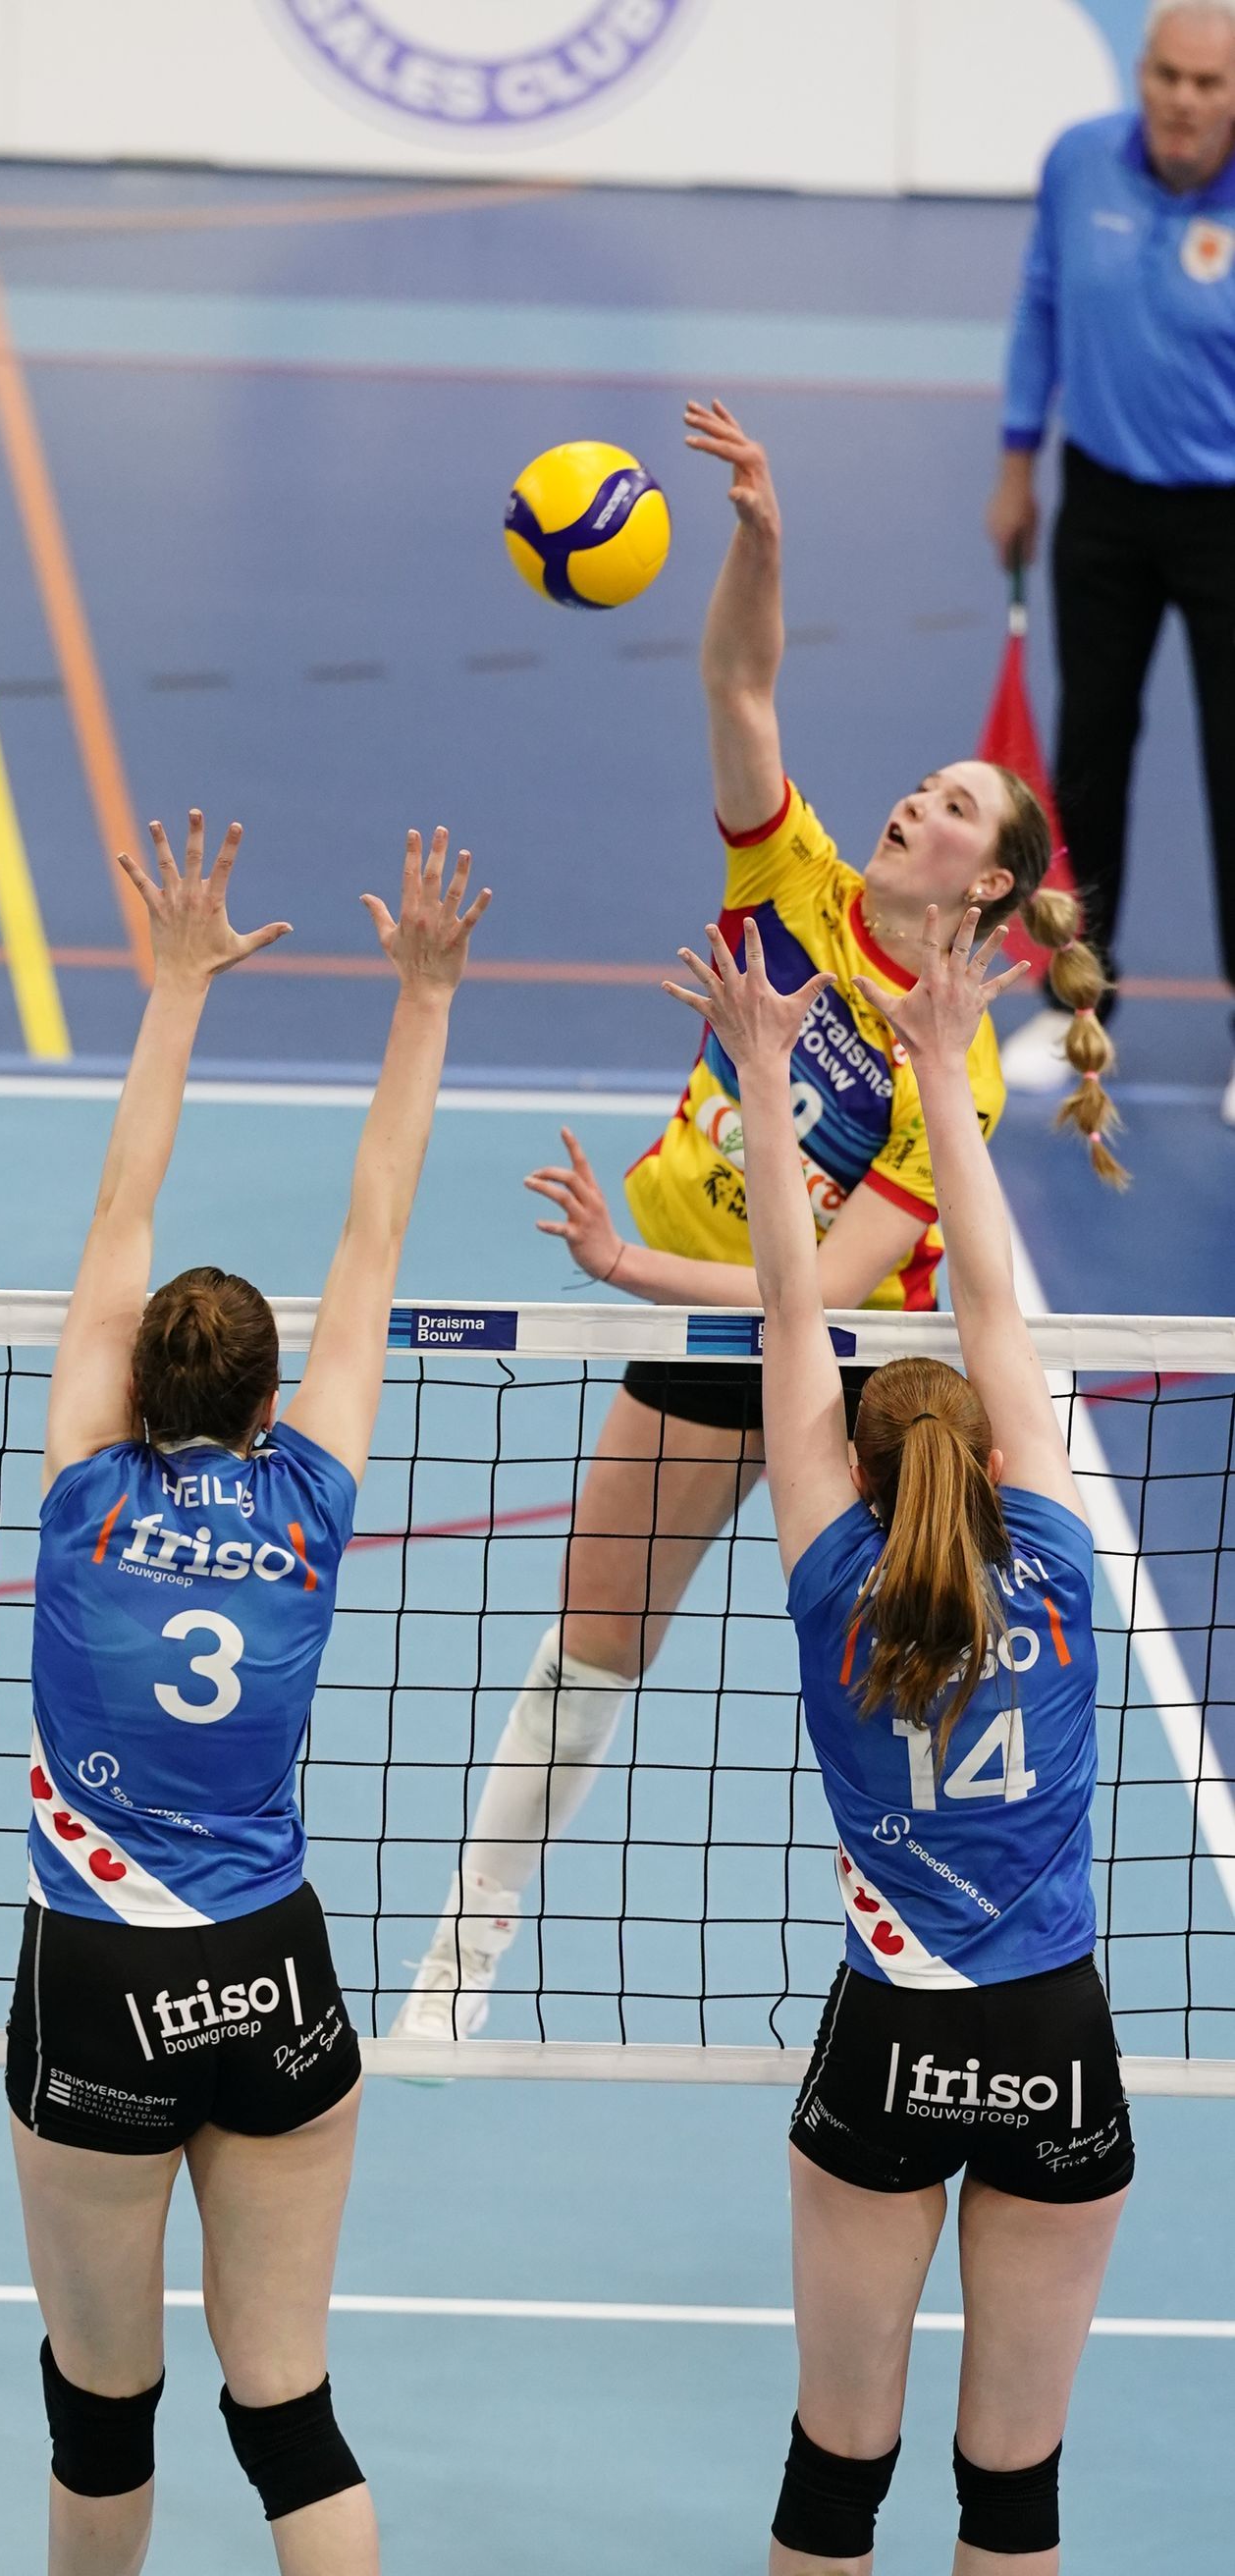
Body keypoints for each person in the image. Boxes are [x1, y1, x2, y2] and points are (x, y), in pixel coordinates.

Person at [393, 399, 1117, 2048]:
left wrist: (619, 1264)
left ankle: (961, 1940)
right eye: (917, 786)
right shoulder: (788, 879)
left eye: (950, 806)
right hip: (704, 1329)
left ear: (987, 885)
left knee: (921, 1657)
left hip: (860, 1367)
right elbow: (736, 683)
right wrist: (760, 537)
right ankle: (462, 1950)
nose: (911, 805)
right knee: (591, 1641)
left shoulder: (951, 1070)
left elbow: (833, 1289)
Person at [6, 810, 488, 2576]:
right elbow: (376, 1230)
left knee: (101, 2410)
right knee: (286, 2408)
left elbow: (116, 1213)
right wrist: (423, 997)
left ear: (128, 1388)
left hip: (98, 1979)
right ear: (273, 1405)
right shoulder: (307, 1500)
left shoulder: (85, 1490)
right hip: (271, 1970)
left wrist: (176, 987)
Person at [662, 904, 1131, 2576]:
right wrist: (942, 1063)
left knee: (830, 2474)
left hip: (889, 2043)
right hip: (1052, 2038)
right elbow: (991, 1303)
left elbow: (791, 1316)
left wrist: (767, 1065)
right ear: (996, 1460)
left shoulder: (832, 1587)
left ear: (853, 1477)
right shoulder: (1055, 1562)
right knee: (1013, 2488)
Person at [990, 1, 1235, 1122]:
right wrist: (1015, 467)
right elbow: (1040, 302)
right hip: (1100, 502)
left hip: (1225, 516)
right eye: (1167, 76)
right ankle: (1080, 1001)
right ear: (1142, 74)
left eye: (1208, 83)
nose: (1183, 100)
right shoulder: (1078, 161)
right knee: (1087, 754)